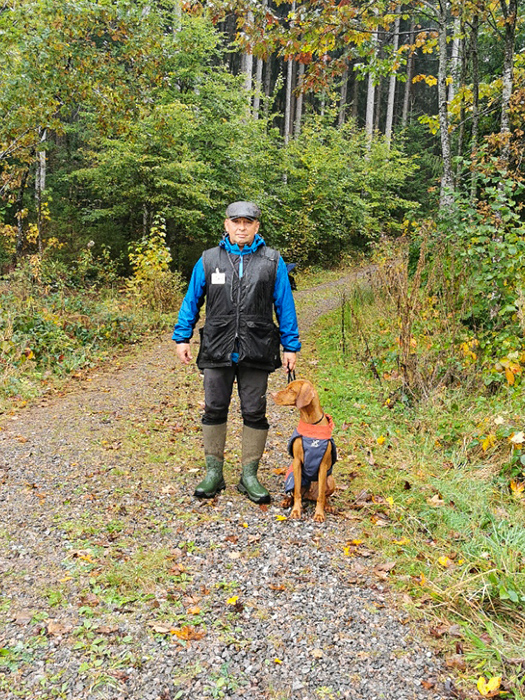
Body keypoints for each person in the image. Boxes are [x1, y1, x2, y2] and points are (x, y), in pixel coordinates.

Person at [173, 201, 301, 503]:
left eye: (248, 222)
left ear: (257, 227)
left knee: (254, 412)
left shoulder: (272, 261)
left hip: (258, 347)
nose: (241, 227)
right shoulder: (208, 260)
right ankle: (213, 473)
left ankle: (249, 475)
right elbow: (192, 300)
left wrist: (290, 345)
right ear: (226, 225)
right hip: (217, 346)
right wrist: (183, 337)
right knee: (214, 408)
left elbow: (285, 305)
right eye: (236, 222)